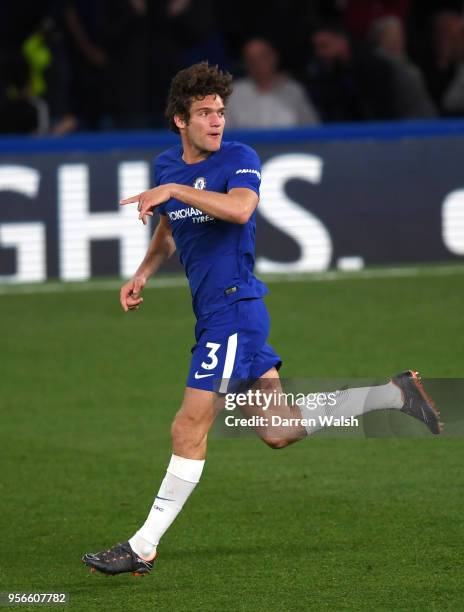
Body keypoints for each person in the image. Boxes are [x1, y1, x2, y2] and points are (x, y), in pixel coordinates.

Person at [82, 61, 442, 577]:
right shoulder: (168, 166)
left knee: (188, 427)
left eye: (221, 112)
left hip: (234, 309)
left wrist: (175, 192)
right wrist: (142, 272)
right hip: (216, 315)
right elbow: (168, 230)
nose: (216, 121)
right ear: (179, 120)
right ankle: (394, 394)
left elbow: (240, 210)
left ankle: (142, 547)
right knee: (278, 430)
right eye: (204, 112)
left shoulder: (239, 159)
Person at [226, 38, 319, 128]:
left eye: (263, 57)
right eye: (252, 59)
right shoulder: (234, 93)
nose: (258, 63)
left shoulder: (293, 90)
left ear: (274, 57)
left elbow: (312, 129)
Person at [368, 15, 437, 118]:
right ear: (379, 38)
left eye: (399, 35)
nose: (398, 40)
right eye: (391, 36)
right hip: (404, 123)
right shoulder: (378, 65)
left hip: (425, 120)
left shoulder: (404, 60)